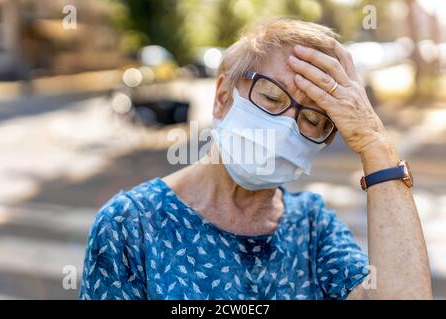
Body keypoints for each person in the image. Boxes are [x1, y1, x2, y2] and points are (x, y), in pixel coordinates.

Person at [79, 18, 432, 300]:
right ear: (222, 96)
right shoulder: (129, 226)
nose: (285, 130)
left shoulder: (312, 229)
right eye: (271, 97)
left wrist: (374, 143)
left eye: (311, 120)